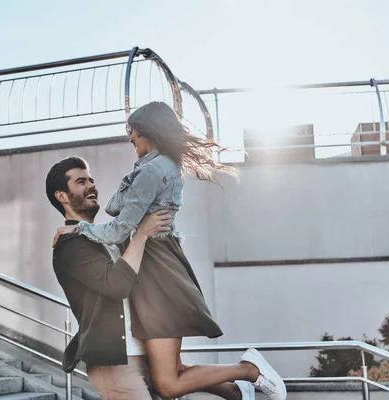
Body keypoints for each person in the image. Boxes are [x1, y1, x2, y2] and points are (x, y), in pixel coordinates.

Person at [53, 102, 287, 400]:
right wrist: (131, 177)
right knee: (172, 371)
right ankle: (237, 392)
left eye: (130, 131)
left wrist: (78, 228)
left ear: (144, 130)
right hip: (154, 264)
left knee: (167, 384)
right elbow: (113, 207)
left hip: (156, 266)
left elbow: (118, 230)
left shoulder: (152, 171)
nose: (129, 139)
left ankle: (248, 371)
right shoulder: (150, 169)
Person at [46, 156, 255, 400]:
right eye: (81, 181)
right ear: (62, 196)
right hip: (115, 365)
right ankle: (246, 373)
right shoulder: (70, 246)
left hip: (145, 355)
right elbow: (117, 284)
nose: (91, 185)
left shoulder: (103, 237)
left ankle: (236, 390)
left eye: (91, 179)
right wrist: (141, 234)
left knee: (175, 380)